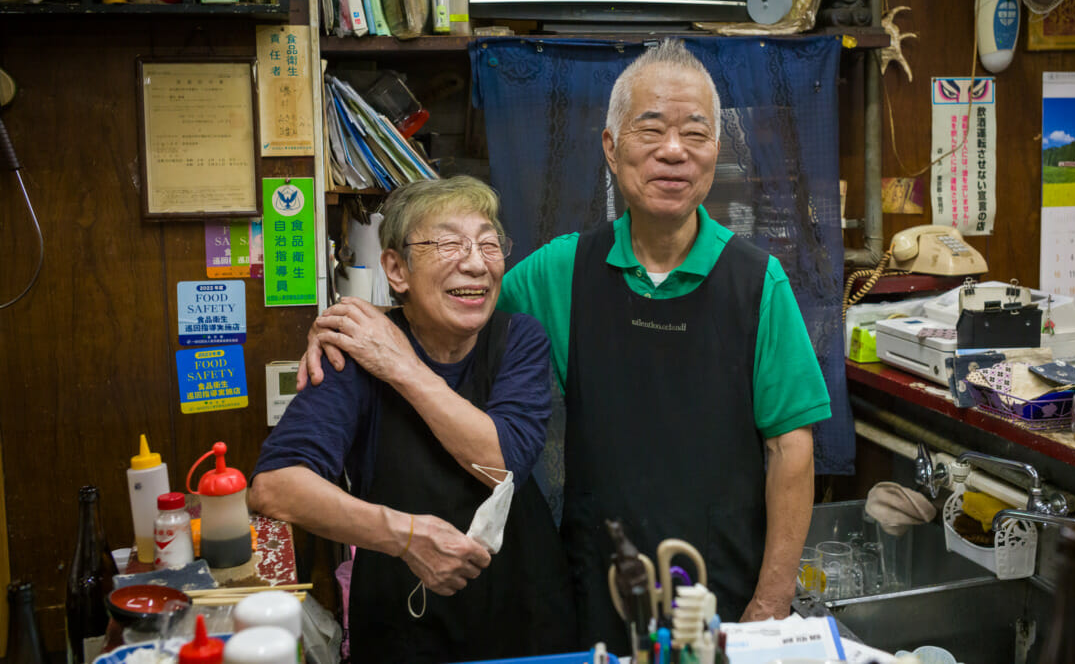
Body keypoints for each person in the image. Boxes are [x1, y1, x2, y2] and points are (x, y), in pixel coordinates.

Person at [302, 40, 832, 650]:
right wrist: (361, 325)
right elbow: (453, 304)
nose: (673, 151)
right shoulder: (563, 270)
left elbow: (792, 451)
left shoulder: (757, 281)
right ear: (610, 148)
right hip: (592, 587)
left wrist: (771, 603)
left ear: (716, 150)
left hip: (723, 590)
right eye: (651, 129)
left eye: (696, 133)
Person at [250, 176, 575, 663]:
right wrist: (403, 536)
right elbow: (274, 487)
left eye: (489, 244)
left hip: (523, 612)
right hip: (402, 621)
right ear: (396, 269)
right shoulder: (355, 353)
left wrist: (401, 366)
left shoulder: (518, 340)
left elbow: (501, 463)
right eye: (448, 242)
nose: (476, 262)